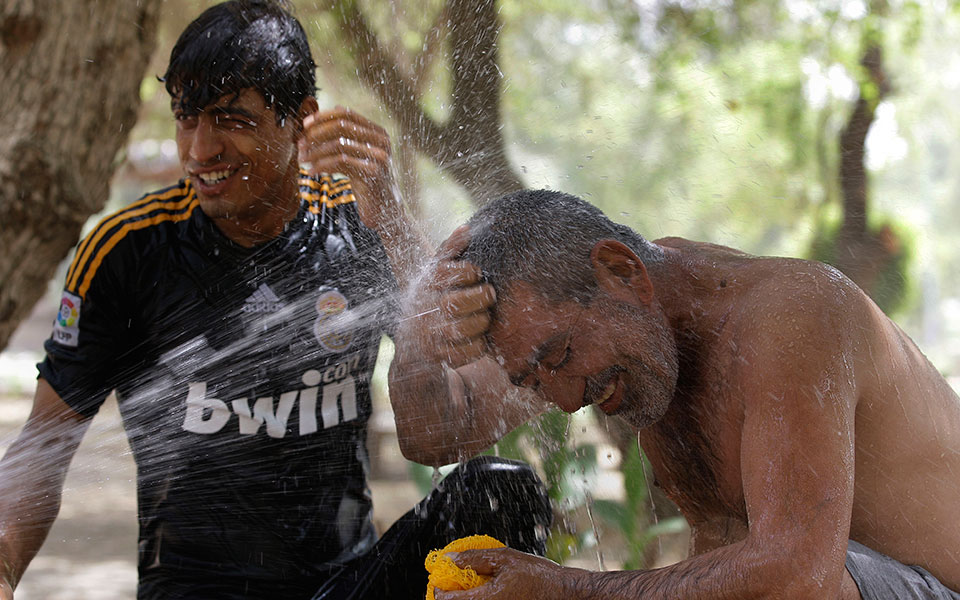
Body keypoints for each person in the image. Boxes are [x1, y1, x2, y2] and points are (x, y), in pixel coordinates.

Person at [0, 3, 550, 599]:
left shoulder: (360, 225)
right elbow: (42, 446)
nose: (200, 149)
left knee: (500, 492)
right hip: (194, 590)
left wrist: (391, 218)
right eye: (187, 118)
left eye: (231, 119)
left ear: (301, 121)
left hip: (343, 585)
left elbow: (443, 417)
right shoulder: (130, 252)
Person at [389, 189, 960, 599]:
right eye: (533, 380)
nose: (562, 401)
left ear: (621, 271)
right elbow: (434, 436)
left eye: (558, 358)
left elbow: (798, 577)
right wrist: (416, 342)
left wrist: (566, 589)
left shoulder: (791, 319)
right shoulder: (613, 322)